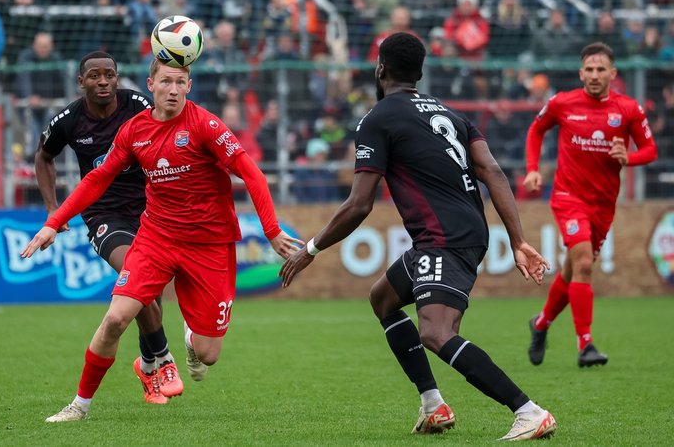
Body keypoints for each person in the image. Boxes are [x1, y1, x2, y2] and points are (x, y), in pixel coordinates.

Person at [279, 33, 557, 441]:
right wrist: (517, 240)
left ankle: (528, 411)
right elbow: (494, 172)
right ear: (420, 72)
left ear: (381, 69)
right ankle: (433, 404)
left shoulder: (378, 119)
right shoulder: (452, 113)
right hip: (458, 232)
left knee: (436, 332)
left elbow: (359, 205)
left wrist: (311, 248)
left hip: (445, 238)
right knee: (383, 299)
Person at [22, 58, 301, 423]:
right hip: (157, 237)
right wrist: (53, 221)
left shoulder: (205, 125)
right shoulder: (134, 130)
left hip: (209, 244)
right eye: (166, 82)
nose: (172, 90)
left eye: (180, 82)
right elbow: (96, 179)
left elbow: (252, 174)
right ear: (150, 85)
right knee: (115, 319)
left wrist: (272, 230)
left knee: (209, 354)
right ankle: (79, 406)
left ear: (189, 85)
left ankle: (188, 343)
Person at [33, 51, 181, 407]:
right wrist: (53, 209)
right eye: (95, 76)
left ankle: (146, 366)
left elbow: (169, 130)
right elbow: (43, 156)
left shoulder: (139, 104)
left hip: (151, 212)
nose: (103, 82)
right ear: (81, 82)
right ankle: (162, 359)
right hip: (103, 215)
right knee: (136, 272)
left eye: (109, 75)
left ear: (117, 78)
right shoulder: (68, 121)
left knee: (150, 294)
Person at [523, 42, 658, 368]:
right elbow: (536, 130)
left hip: (603, 205)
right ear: (581, 72)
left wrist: (630, 157)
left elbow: (650, 150)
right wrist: (532, 169)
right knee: (583, 262)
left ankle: (541, 323)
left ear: (612, 73)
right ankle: (586, 345)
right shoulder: (562, 103)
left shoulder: (629, 109)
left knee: (573, 270)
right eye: (590, 70)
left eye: (601, 70)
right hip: (568, 197)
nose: (595, 75)